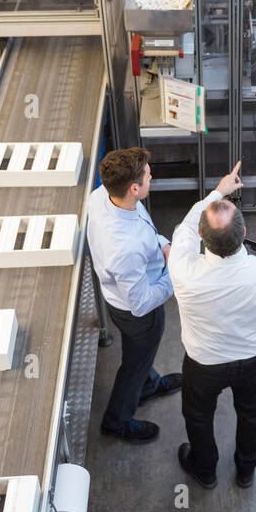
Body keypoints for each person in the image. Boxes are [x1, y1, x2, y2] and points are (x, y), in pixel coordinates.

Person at [167, 162, 256, 489]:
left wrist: (218, 191)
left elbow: (184, 226)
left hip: (203, 364)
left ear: (202, 237)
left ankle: (206, 471)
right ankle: (246, 471)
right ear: (243, 233)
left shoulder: (183, 271)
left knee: (198, 417)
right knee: (252, 412)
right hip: (253, 360)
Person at [86, 147, 183, 442]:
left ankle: (149, 385)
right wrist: (176, 276)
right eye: (148, 175)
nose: (152, 176)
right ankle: (117, 421)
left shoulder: (103, 196)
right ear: (134, 188)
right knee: (134, 362)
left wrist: (164, 245)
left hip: (121, 296)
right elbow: (140, 304)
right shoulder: (124, 248)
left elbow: (145, 231)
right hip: (138, 314)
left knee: (139, 357)